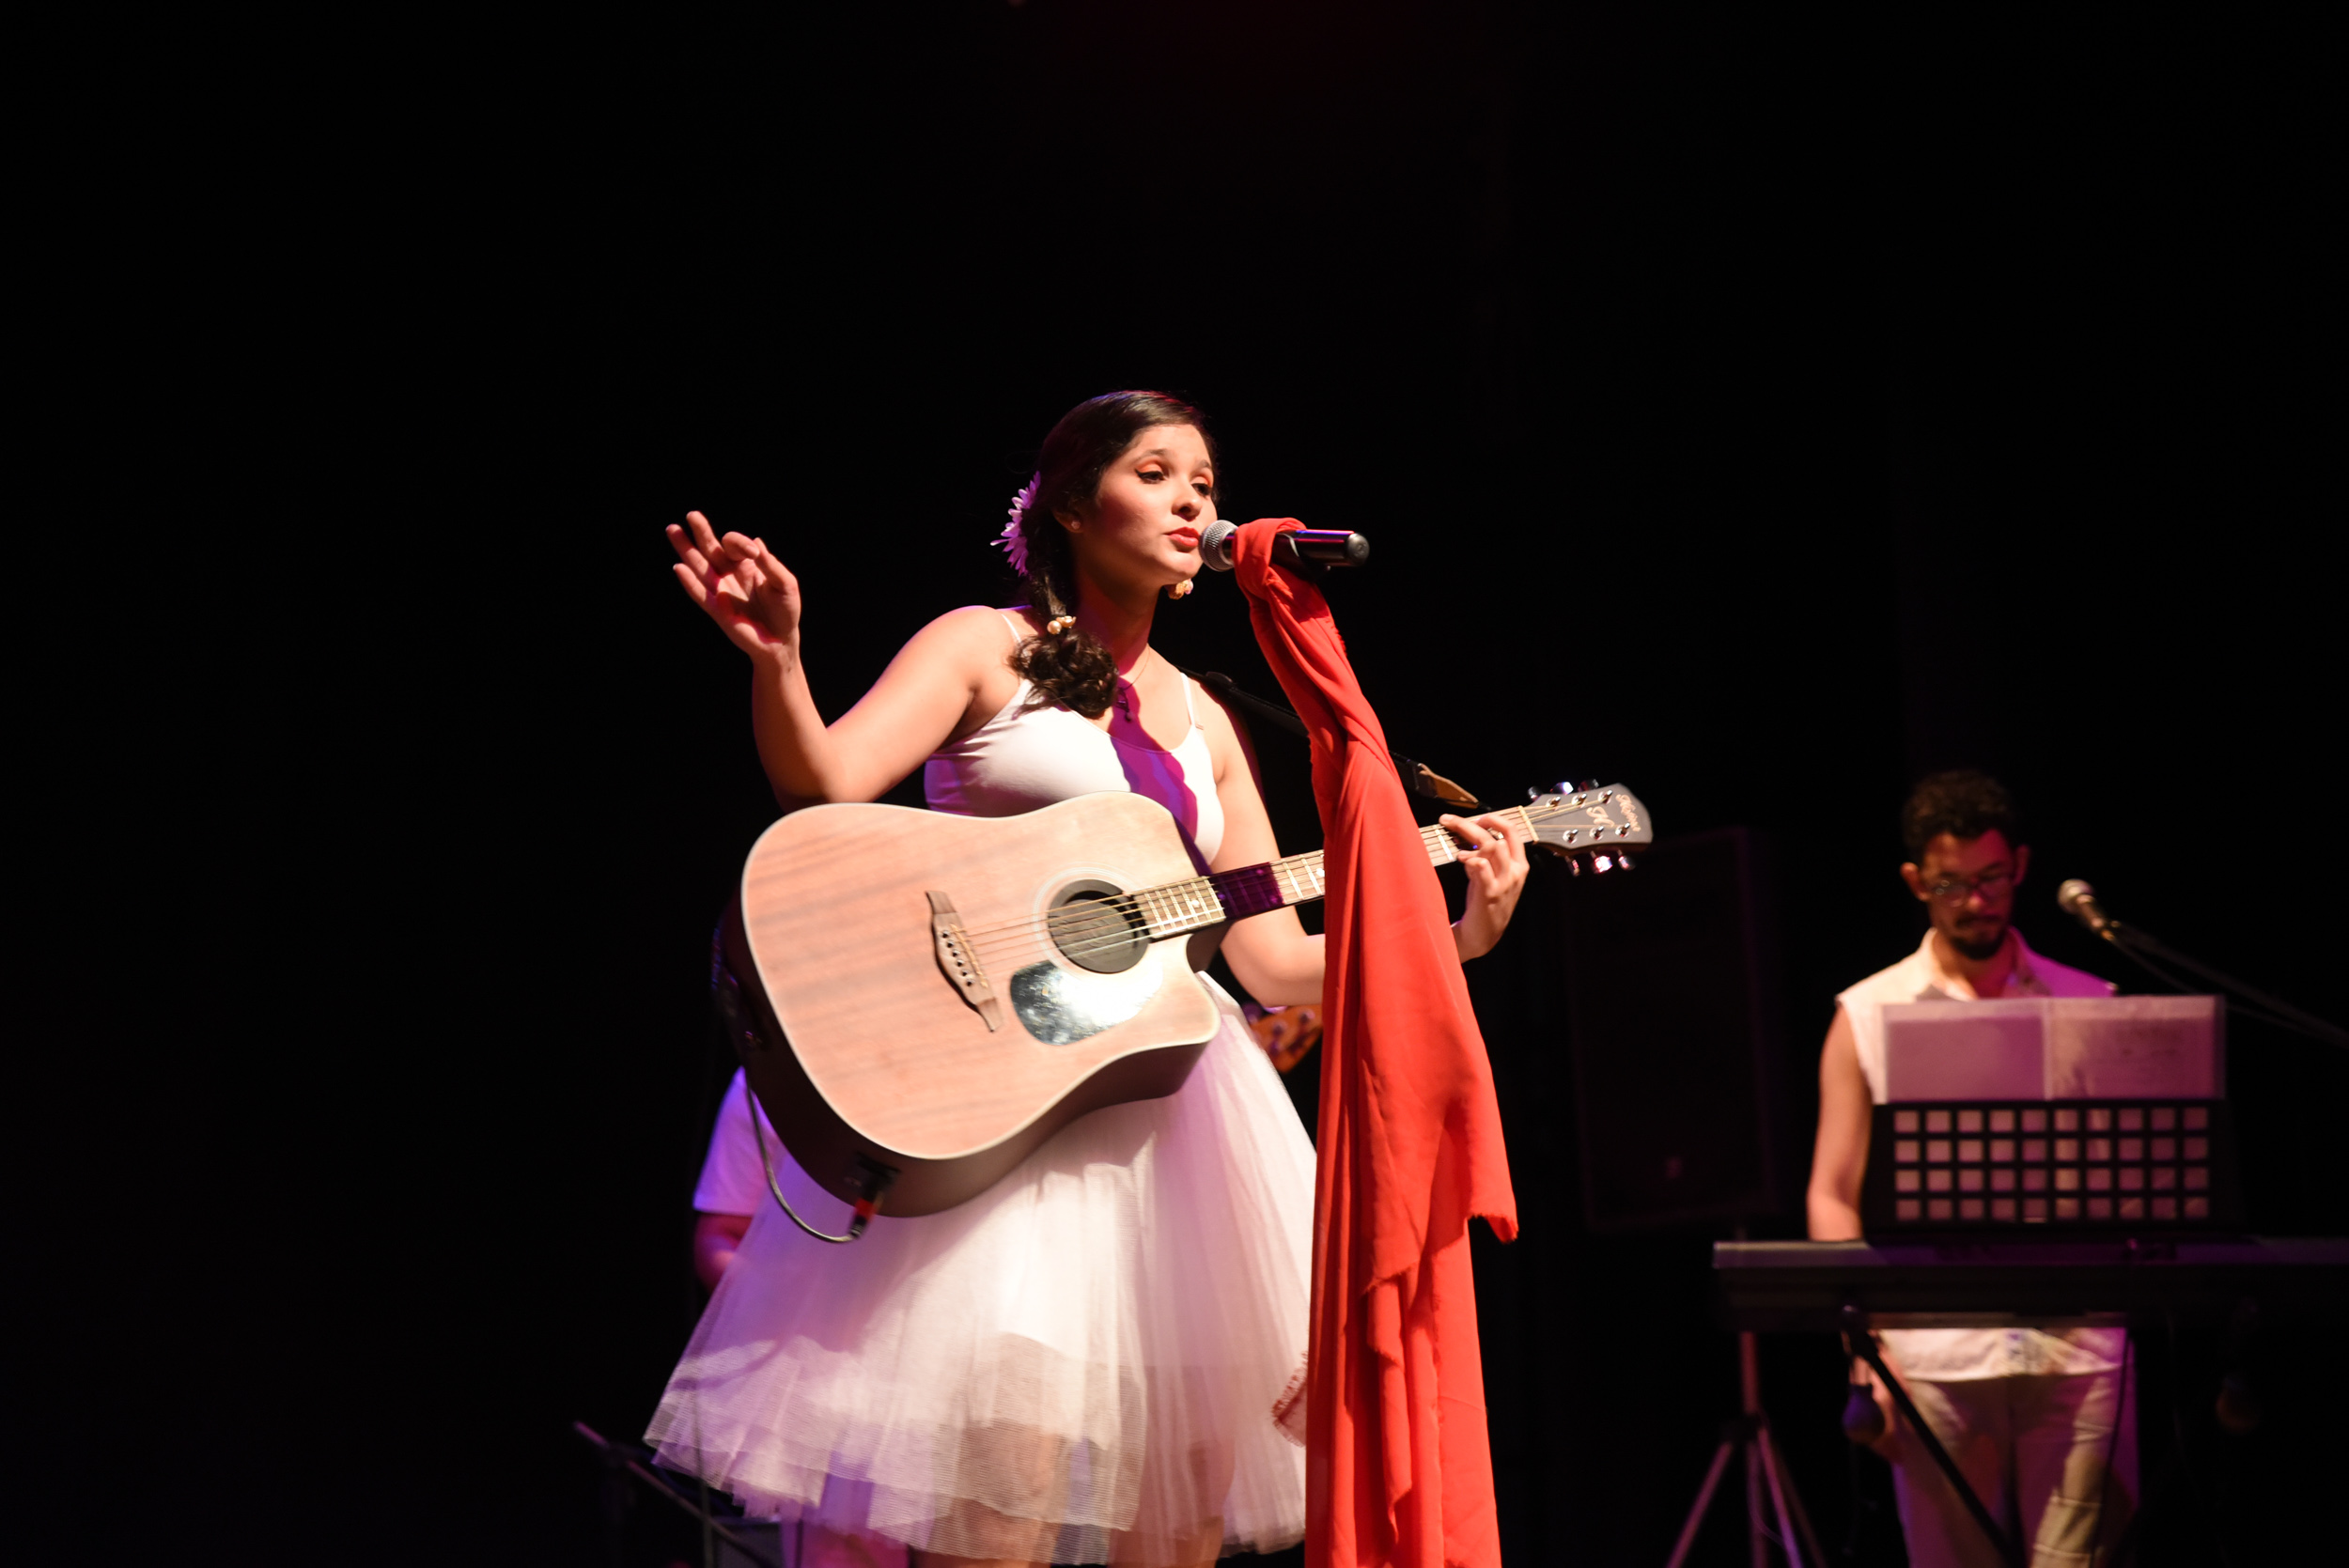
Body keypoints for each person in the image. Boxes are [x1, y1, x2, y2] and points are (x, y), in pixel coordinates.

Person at [649, 391, 1534, 1568]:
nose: (1191, 503)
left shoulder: (1208, 718)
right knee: (996, 1511)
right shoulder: (982, 645)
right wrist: (779, 660)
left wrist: (1456, 936)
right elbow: (824, 786)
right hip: (1002, 1111)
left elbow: (1272, 960)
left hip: (1174, 1131)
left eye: (1205, 485)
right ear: (1070, 504)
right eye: (1156, 473)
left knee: (1174, 1524)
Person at [1806, 769, 2136, 1568]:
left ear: (2019, 866)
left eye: (1990, 878)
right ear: (1917, 881)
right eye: (1951, 884)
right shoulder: (1868, 1012)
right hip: (1935, 1359)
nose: (1975, 901)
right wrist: (1864, 1353)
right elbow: (1832, 1191)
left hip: (2077, 1351)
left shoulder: (2089, 1001)